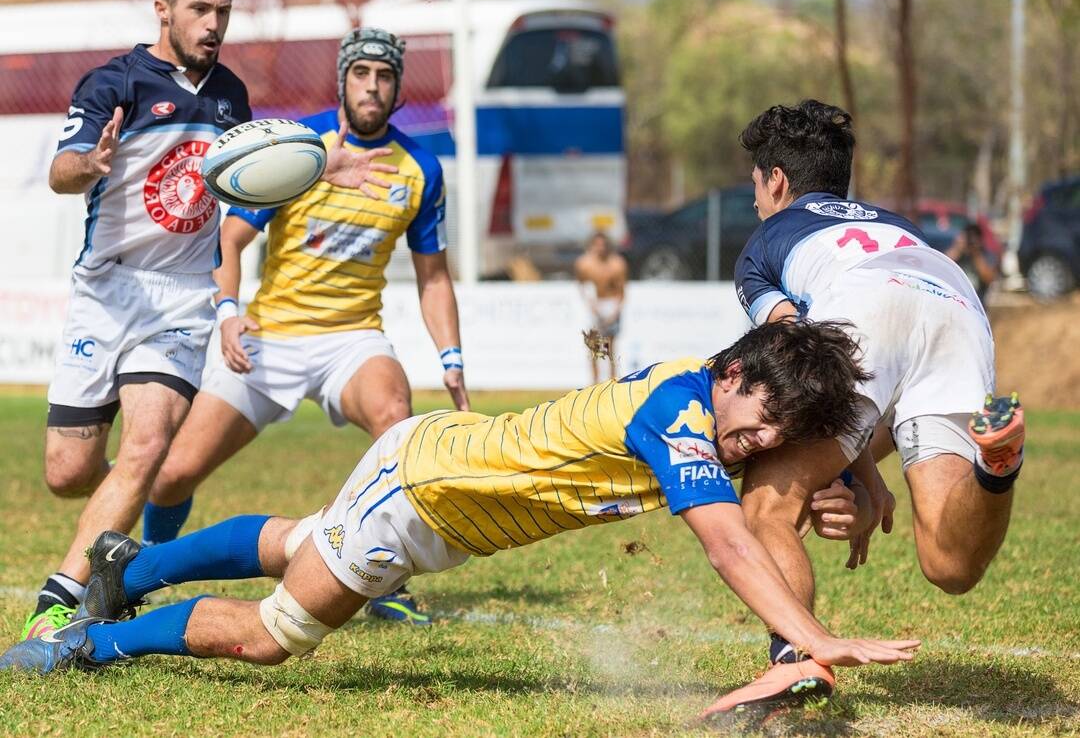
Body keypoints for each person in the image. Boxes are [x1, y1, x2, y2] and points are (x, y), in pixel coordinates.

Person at [0, 321, 921, 720]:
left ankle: (136, 568)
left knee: (297, 540)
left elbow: (768, 493)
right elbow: (728, 541)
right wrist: (813, 638)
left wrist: (844, 485)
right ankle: (88, 646)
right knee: (277, 632)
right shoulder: (679, 418)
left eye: (776, 435)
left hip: (443, 476)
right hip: (423, 498)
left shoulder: (707, 397)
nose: (758, 442)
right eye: (758, 420)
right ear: (731, 379)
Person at [139, 27, 470, 626]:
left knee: (396, 421)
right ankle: (145, 565)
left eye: (385, 76)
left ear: (398, 90)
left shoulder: (421, 167)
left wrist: (451, 359)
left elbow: (434, 278)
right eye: (362, 73)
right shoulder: (295, 147)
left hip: (352, 339)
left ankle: (382, 579)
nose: (373, 85)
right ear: (343, 79)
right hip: (270, 338)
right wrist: (229, 313)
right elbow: (230, 242)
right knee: (173, 475)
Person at [717, 100, 1025, 713]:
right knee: (950, 562)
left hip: (865, 303)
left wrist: (850, 476)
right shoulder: (892, 220)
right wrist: (859, 473)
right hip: (954, 297)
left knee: (767, 502)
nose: (755, 199)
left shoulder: (764, 242)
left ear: (776, 179)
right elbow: (860, 386)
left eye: (755, 183)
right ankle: (997, 466)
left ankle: (794, 662)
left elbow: (799, 363)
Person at [20, 0, 253, 642]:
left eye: (223, 13)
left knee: (148, 445)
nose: (213, 25)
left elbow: (241, 177)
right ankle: (108, 531)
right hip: (107, 292)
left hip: (182, 295)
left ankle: (60, 602)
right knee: (68, 474)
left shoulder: (231, 95)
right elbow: (64, 169)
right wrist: (88, 164)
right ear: (163, 11)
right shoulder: (115, 81)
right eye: (200, 11)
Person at [574, 232, 628, 382]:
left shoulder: (617, 263)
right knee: (593, 346)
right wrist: (590, 304)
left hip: (611, 304)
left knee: (610, 347)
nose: (600, 248)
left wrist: (615, 311)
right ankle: (595, 383)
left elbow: (622, 290)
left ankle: (612, 381)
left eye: (602, 245)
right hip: (595, 305)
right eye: (597, 245)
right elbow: (581, 285)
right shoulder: (584, 263)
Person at [946, 221, 998, 303]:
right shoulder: (959, 253)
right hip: (956, 303)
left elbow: (988, 278)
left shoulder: (987, 255)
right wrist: (958, 248)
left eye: (975, 237)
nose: (971, 241)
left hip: (977, 306)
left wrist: (976, 254)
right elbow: (944, 266)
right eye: (969, 237)